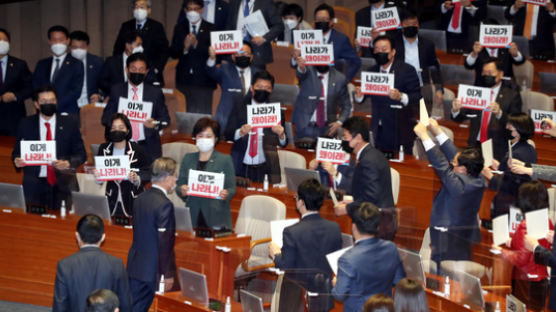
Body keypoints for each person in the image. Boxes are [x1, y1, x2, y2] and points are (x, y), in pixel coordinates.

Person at [413, 118, 485, 265]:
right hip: (463, 237)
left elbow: (441, 164)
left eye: (455, 164)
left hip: (447, 239)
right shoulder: (479, 178)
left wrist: (424, 136)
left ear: (463, 169)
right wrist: (437, 130)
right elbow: (455, 156)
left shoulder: (458, 188)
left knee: (443, 277)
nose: (452, 163)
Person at [268, 178, 342, 311]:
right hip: (323, 296)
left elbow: (286, 265)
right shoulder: (335, 228)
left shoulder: (291, 232)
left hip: (296, 299)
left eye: (296, 197)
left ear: (301, 202)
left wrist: (276, 254)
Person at [12, 86, 86, 210]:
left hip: (62, 183)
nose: (49, 104)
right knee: (33, 223)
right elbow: (16, 153)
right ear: (36, 104)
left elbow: (81, 154)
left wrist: (67, 163)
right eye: (44, 102)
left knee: (61, 225)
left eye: (52, 100)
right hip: (34, 184)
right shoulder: (25, 124)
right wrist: (17, 160)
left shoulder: (70, 123)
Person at [332, 202, 406, 312]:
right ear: (377, 227)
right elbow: (399, 281)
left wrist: (335, 282)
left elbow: (340, 295)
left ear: (354, 227)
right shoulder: (391, 248)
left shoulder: (347, 259)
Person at [355, 35, 421, 155]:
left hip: (400, 130)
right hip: (377, 128)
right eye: (377, 50)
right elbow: (363, 97)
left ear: (393, 52)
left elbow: (417, 97)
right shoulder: (371, 71)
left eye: (384, 50)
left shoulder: (407, 70)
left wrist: (401, 96)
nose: (380, 52)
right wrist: (359, 96)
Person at [127, 157, 178, 312]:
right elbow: (165, 244)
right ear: (168, 178)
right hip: (151, 271)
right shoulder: (165, 205)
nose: (176, 180)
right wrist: (167, 274)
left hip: (134, 265)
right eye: (175, 176)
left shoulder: (139, 199)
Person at [53, 215, 132, 312]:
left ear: (77, 236)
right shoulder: (117, 264)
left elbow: (60, 308)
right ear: (103, 237)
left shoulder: (65, 265)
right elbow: (126, 305)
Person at [333, 116, 395, 240]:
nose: (344, 141)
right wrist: (353, 202)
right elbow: (367, 190)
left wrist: (347, 208)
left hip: (377, 224)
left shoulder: (367, 160)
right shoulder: (371, 154)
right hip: (380, 219)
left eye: (346, 137)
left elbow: (372, 196)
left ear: (359, 138)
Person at [494, 181, 553, 310]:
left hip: (524, 280)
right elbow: (540, 247)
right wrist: (512, 242)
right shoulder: (547, 221)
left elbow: (521, 259)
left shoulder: (525, 225)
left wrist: (501, 251)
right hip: (541, 279)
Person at [101, 52, 170, 163]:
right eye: (134, 68)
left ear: (146, 72)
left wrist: (155, 124)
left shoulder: (155, 93)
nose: (137, 72)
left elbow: (165, 120)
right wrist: (117, 123)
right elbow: (105, 118)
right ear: (127, 69)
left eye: (141, 69)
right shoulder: (116, 90)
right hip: (121, 146)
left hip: (148, 147)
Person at [452, 57, 522, 160]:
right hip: (475, 145)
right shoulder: (476, 91)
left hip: (496, 147)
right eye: (484, 73)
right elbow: (459, 118)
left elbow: (517, 124)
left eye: (490, 72)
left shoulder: (512, 95)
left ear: (501, 74)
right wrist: (455, 110)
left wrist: (500, 113)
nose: (486, 76)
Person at [224, 70, 286, 183]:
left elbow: (284, 143)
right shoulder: (240, 106)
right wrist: (240, 132)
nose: (263, 90)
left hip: (265, 165)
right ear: (252, 88)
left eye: (267, 87)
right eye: (259, 86)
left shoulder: (276, 111)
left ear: (271, 90)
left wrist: (281, 135)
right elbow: (227, 133)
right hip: (240, 162)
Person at [177, 117, 236, 228]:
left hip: (216, 215)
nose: (204, 139)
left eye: (208, 136)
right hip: (193, 213)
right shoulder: (188, 158)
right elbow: (179, 185)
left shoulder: (225, 159)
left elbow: (232, 188)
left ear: (216, 138)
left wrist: (226, 193)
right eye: (200, 136)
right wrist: (182, 190)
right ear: (195, 137)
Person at [481, 113, 537, 218]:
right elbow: (512, 174)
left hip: (509, 205)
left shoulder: (517, 153)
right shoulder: (528, 148)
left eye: (510, 125)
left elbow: (512, 187)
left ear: (519, 130)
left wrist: (490, 176)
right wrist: (500, 167)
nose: (506, 127)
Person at [97, 113, 150, 221]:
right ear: (108, 131)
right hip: (110, 201)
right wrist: (96, 175)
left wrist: (137, 178)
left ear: (127, 130)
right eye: (113, 128)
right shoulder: (103, 149)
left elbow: (148, 173)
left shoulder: (138, 150)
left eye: (121, 128)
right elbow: (100, 179)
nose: (117, 130)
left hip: (132, 200)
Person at [291, 50, 351, 140]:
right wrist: (301, 67)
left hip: (328, 128)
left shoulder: (340, 78)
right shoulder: (307, 71)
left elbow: (347, 106)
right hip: (305, 125)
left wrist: (339, 122)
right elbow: (301, 73)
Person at [170, 0, 217, 114]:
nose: (192, 12)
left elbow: (215, 54)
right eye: (189, 9)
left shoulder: (212, 28)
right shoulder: (180, 28)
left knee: (203, 116)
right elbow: (173, 53)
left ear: (202, 10)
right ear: (185, 11)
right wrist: (185, 48)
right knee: (185, 114)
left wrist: (196, 44)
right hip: (184, 80)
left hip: (204, 80)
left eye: (195, 9)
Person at [206, 41, 260, 132]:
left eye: (246, 53)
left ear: (251, 57)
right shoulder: (225, 69)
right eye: (239, 53)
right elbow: (211, 71)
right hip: (226, 119)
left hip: (249, 122)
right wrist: (212, 58)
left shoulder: (258, 74)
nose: (243, 56)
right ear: (233, 57)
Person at [112, 0, 169, 85]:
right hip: (129, 72)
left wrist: (155, 68)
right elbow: (118, 48)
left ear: (149, 10)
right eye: (136, 7)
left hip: (149, 73)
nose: (138, 10)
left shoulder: (157, 27)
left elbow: (164, 51)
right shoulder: (126, 26)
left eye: (142, 7)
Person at [32, 25, 84, 115]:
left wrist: (54, 104)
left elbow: (76, 91)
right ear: (49, 41)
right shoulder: (42, 64)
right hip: (43, 111)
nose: (57, 43)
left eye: (61, 40)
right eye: (54, 40)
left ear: (68, 41)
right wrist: (43, 104)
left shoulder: (76, 64)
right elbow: (35, 86)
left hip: (67, 111)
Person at [464, 19, 524, 87]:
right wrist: (474, 54)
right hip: (482, 86)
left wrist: (515, 54)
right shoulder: (477, 48)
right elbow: (468, 65)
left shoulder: (507, 47)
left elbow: (520, 61)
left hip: (505, 87)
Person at [225, 0, 284, 69]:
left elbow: (279, 25)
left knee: (255, 78)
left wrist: (264, 38)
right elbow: (228, 26)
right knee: (235, 78)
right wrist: (226, 55)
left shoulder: (266, 2)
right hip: (236, 52)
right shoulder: (234, 2)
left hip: (257, 52)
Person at [394, 9, 443, 91]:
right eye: (407, 24)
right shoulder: (393, 44)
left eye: (414, 24)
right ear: (401, 27)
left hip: (422, 86)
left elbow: (434, 68)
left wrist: (439, 90)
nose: (411, 27)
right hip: (398, 87)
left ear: (418, 26)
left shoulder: (428, 45)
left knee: (423, 103)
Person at [311, 4, 361, 82]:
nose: (321, 22)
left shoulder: (341, 40)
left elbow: (355, 62)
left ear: (331, 21)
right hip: (312, 81)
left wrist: (344, 80)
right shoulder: (308, 38)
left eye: (324, 20)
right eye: (318, 20)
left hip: (333, 83)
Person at [99, 32, 156, 96]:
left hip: (139, 97)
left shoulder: (146, 62)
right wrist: (117, 90)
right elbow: (102, 82)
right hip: (116, 97)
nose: (141, 48)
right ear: (128, 45)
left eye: (141, 45)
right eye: (138, 45)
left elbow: (151, 80)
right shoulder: (111, 61)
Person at [0, 27, 32, 136]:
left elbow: (30, 87)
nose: (2, 43)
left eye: (4, 41)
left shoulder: (19, 64)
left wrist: (15, 95)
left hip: (13, 118)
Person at [69, 30, 104, 108]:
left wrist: (100, 96)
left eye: (81, 47)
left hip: (90, 105)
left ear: (87, 47)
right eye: (75, 47)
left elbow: (107, 85)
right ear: (69, 47)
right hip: (69, 107)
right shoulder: (64, 63)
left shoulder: (97, 62)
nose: (78, 50)